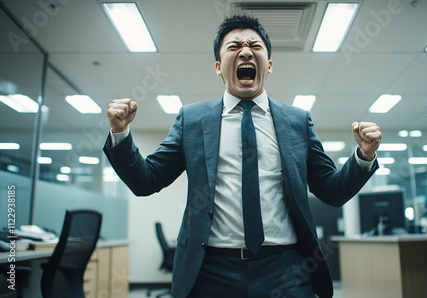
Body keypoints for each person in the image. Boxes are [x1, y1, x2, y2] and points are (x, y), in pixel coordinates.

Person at [104, 15, 381, 298]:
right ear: (218, 67)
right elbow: (146, 181)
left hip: (286, 269)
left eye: (255, 46)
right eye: (234, 46)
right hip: (211, 270)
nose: (246, 51)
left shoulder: (296, 121)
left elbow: (330, 190)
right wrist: (121, 135)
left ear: (269, 65)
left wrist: (364, 156)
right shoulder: (193, 119)